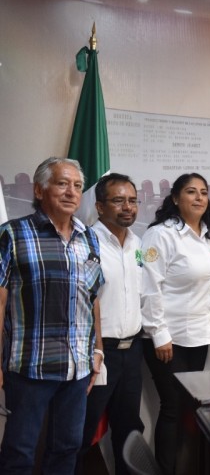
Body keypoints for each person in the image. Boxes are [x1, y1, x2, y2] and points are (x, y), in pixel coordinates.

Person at [0, 157, 104, 474]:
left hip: (78, 368)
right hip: (29, 366)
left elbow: (92, 297)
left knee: (67, 448)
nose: (71, 192)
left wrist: (98, 350)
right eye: (62, 183)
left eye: (77, 186)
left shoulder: (89, 237)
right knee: (20, 451)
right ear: (39, 190)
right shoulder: (13, 234)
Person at [140, 173, 210, 473]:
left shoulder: (209, 236)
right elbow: (149, 287)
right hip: (168, 338)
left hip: (199, 336)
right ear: (175, 198)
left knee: (188, 407)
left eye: (203, 192)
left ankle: (185, 467)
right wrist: (159, 334)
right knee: (173, 407)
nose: (199, 197)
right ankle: (166, 470)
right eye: (191, 192)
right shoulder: (161, 235)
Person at [78, 173, 145, 475]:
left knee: (129, 429)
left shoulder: (137, 244)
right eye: (118, 201)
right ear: (100, 206)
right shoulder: (85, 243)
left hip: (132, 351)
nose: (127, 207)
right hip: (98, 354)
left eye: (132, 200)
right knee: (82, 430)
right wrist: (96, 350)